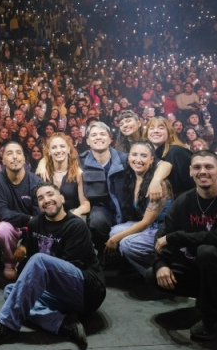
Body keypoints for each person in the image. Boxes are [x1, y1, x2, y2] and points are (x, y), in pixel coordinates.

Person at [0, 183, 105, 350]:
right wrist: (25, 286)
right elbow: (30, 257)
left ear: (61, 198)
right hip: (60, 293)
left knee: (38, 263)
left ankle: (6, 324)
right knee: (12, 290)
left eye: (50, 195)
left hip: (86, 290)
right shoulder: (36, 223)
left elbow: (66, 269)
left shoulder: (76, 226)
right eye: (41, 198)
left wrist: (31, 287)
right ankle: (63, 324)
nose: (46, 200)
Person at [149, 150, 217, 341]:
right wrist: (160, 264)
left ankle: (215, 320)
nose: (203, 171)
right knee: (152, 275)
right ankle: (207, 296)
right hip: (198, 264)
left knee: (207, 251)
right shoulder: (184, 200)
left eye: (209, 166)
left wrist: (176, 237)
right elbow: (162, 236)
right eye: (197, 167)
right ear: (190, 171)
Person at [80, 122, 170, 253]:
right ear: (87, 141)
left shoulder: (125, 158)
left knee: (121, 239)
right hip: (105, 209)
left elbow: (165, 164)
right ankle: (106, 253)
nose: (98, 137)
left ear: (111, 139)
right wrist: (43, 162)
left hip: (133, 212)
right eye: (94, 135)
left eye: (102, 134)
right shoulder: (80, 161)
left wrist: (156, 180)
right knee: (99, 221)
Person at [106, 141, 173, 274]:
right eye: (134, 155)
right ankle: (146, 271)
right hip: (147, 227)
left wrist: (115, 240)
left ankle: (160, 270)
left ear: (151, 159)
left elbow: (146, 222)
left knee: (126, 243)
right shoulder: (131, 178)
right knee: (114, 231)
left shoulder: (160, 184)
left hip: (162, 229)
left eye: (143, 156)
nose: (138, 160)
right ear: (128, 157)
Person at [0, 141, 43, 280]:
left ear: (24, 159)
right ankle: (10, 261)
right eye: (9, 153)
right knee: (2, 228)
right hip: (11, 226)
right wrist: (28, 218)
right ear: (3, 160)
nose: (14, 157)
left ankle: (26, 255)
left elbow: (39, 217)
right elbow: (2, 213)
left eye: (18, 153)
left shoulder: (36, 182)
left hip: (31, 228)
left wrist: (25, 244)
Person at [35, 133, 91, 218]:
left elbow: (86, 204)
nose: (58, 150)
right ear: (49, 152)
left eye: (62, 146)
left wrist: (77, 212)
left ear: (68, 149)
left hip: (71, 218)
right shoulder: (42, 172)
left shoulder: (78, 173)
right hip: (49, 218)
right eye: (54, 147)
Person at [143, 116, 194, 196]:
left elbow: (191, 184)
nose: (156, 131)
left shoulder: (177, 151)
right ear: (147, 134)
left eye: (161, 128)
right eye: (151, 128)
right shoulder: (150, 154)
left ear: (169, 132)